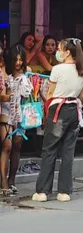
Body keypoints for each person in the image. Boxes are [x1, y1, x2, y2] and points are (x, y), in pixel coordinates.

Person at [32, 38, 83, 203]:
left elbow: (50, 93)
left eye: (60, 49)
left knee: (49, 149)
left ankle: (43, 191)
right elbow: (82, 95)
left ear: (67, 52)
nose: (58, 51)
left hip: (58, 109)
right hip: (74, 109)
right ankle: (64, 191)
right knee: (68, 151)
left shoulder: (57, 69)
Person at [0, 45, 32, 196]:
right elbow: (2, 95)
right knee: (7, 146)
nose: (18, 63)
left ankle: (12, 181)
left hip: (21, 112)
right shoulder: (5, 73)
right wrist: (8, 96)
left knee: (17, 146)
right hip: (6, 110)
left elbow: (31, 94)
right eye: (16, 59)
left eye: (21, 59)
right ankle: (4, 182)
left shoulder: (27, 73)